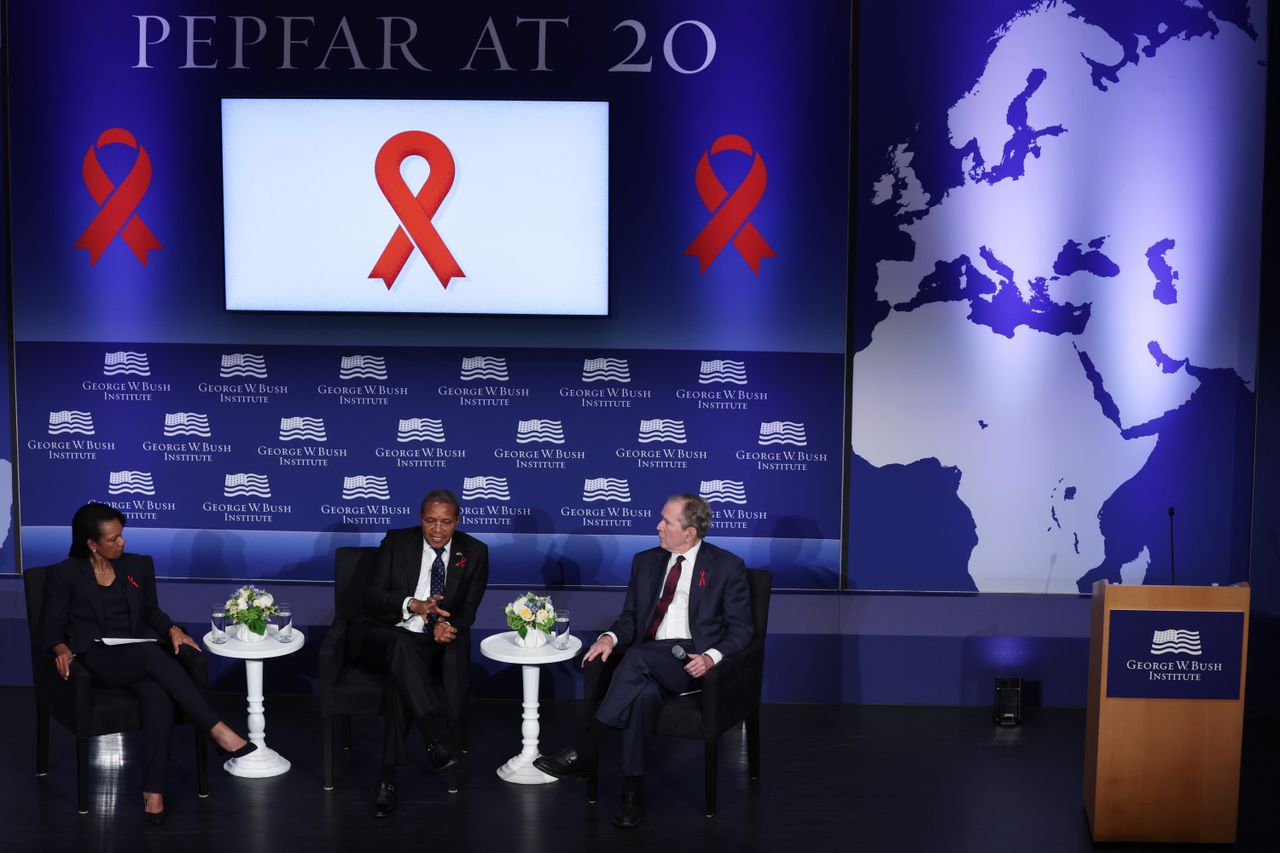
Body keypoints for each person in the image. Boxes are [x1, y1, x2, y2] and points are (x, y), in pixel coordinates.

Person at [535, 493, 753, 828]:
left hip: (689, 660)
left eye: (667, 521)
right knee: (642, 696)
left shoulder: (726, 566)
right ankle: (630, 798)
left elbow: (742, 630)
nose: (658, 526)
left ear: (690, 532)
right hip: (647, 660)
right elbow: (631, 618)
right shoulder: (646, 561)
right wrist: (610, 637)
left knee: (636, 658)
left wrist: (710, 658)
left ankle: (586, 750)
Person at [41, 503, 256, 825]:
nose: (121, 543)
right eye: (113, 539)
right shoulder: (65, 574)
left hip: (137, 654)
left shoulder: (135, 566)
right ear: (91, 543)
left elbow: (151, 613)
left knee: (157, 695)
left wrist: (173, 631)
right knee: (150, 654)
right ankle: (218, 729)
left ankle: (153, 793)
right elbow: (51, 627)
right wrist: (59, 648)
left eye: (122, 536)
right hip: (97, 657)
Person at [348, 488, 489, 817]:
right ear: (420, 519)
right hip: (387, 633)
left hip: (430, 643)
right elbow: (371, 596)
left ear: (457, 521)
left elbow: (468, 610)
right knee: (401, 647)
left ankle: (387, 781)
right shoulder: (397, 542)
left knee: (402, 683)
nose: (437, 530)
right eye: (430, 521)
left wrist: (447, 627)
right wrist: (411, 604)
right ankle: (433, 735)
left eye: (445, 522)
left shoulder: (475, 552)